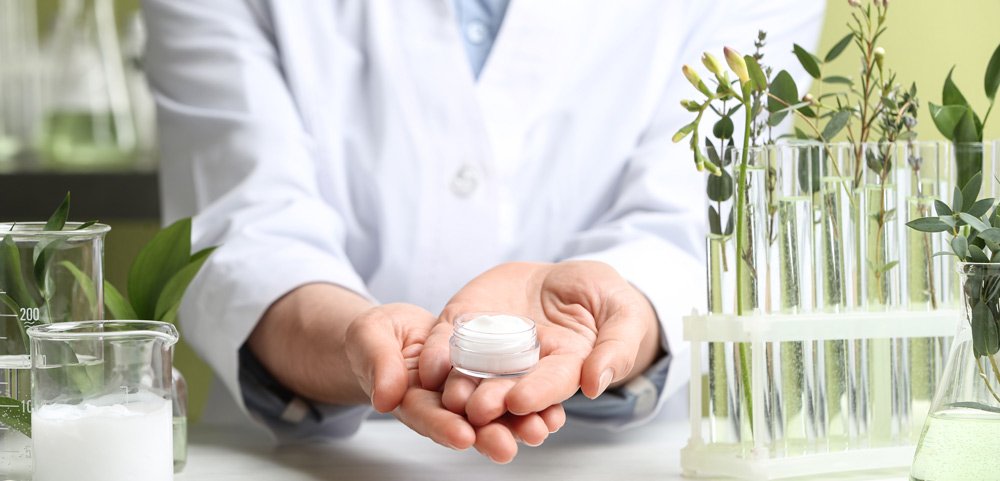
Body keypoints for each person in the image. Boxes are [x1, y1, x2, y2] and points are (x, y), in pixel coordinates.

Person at [144, 0, 824, 464]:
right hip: (313, 462)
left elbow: (697, 218)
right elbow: (247, 219)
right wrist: (357, 339)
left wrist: (616, 312)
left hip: (618, 460)